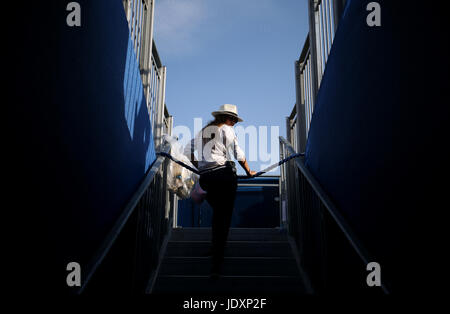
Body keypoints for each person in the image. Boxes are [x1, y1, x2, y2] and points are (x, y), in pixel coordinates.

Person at [184, 104, 256, 279]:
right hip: (223, 177)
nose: (235, 124)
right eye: (234, 120)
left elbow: (187, 151)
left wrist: (200, 168)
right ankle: (217, 263)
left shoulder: (204, 131)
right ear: (227, 118)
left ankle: (214, 247)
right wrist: (249, 171)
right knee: (224, 218)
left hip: (206, 179)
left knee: (218, 214)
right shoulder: (227, 130)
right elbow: (238, 153)